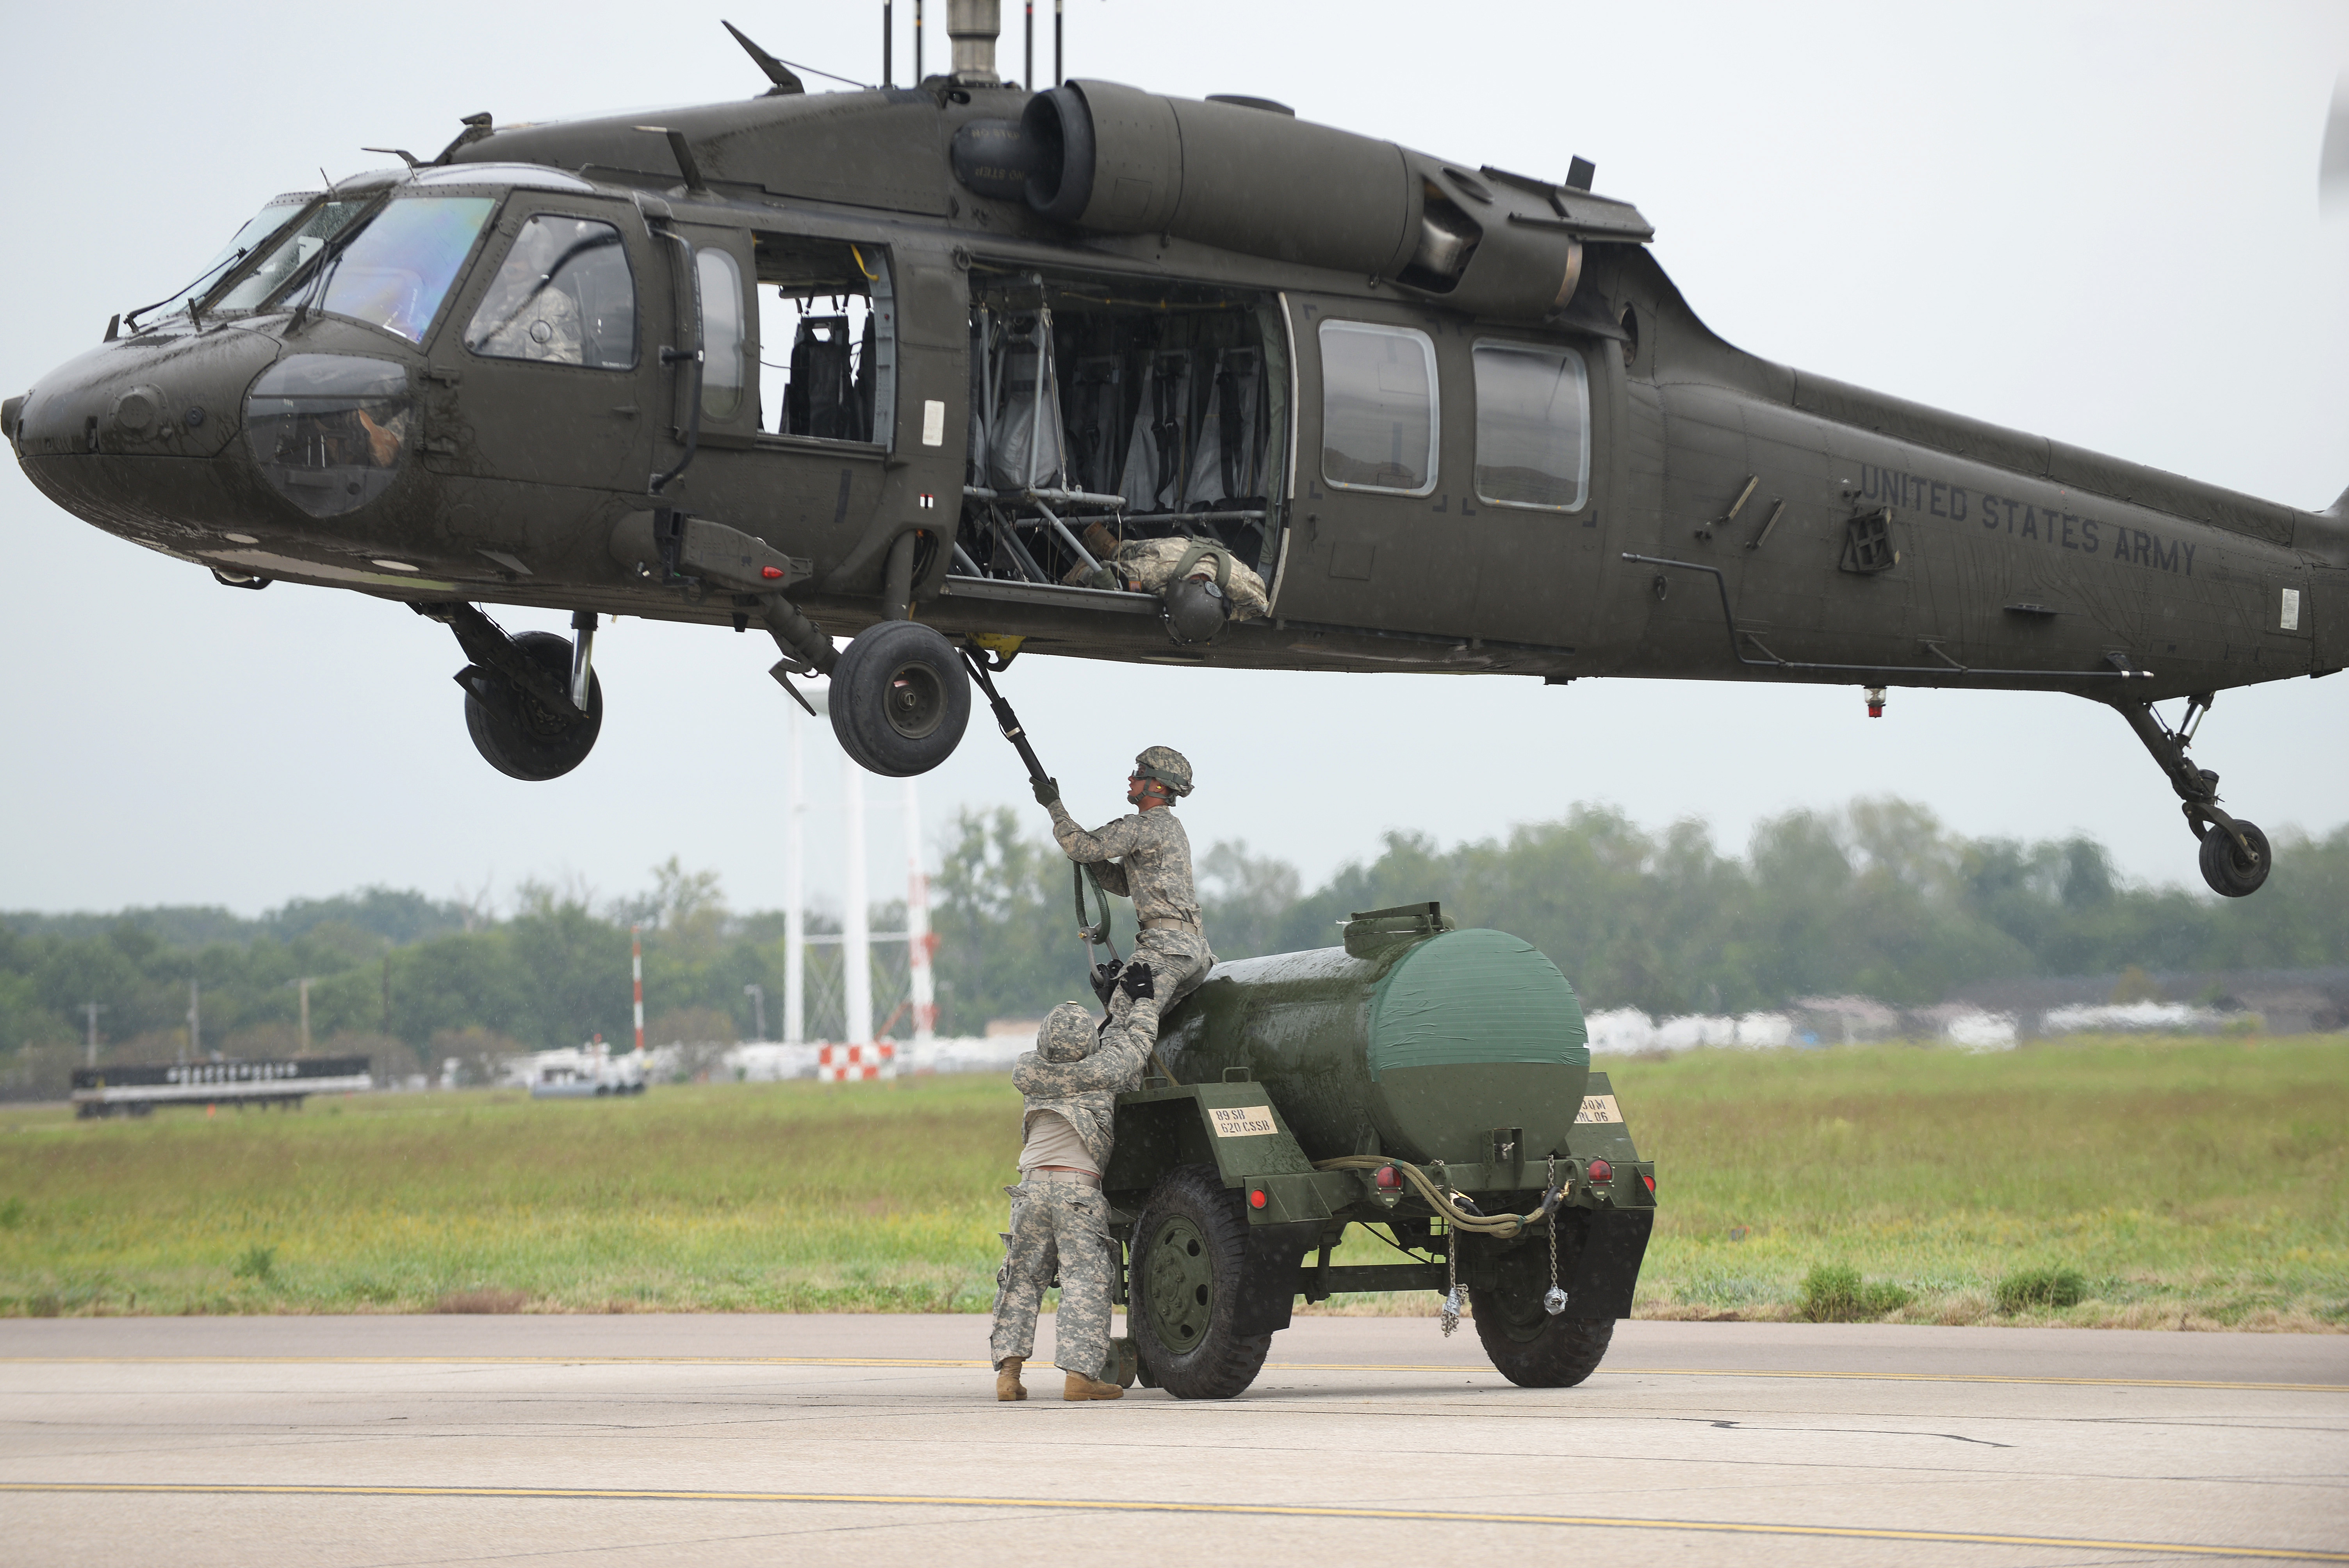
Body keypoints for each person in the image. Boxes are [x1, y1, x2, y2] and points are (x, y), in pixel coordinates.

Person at [990, 977, 1159, 1402]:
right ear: (1089, 1044)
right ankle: (1080, 1376)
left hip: (1029, 1191)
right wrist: (1139, 1001)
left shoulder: (1029, 1070)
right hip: (1076, 1192)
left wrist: (1116, 1001)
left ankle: (1008, 1376)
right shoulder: (1101, 1072)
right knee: (1086, 1279)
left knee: (1020, 1278)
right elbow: (1134, 1046)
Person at [1034, 746, 1210, 1029]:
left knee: (1121, 1033)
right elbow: (1124, 884)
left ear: (1158, 785)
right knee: (1147, 1026)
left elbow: (1082, 845)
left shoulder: (1143, 827)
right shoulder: (1171, 828)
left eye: (1139, 774)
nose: (1131, 779)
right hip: (1193, 950)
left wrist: (1054, 806)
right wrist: (1086, 859)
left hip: (1167, 949)